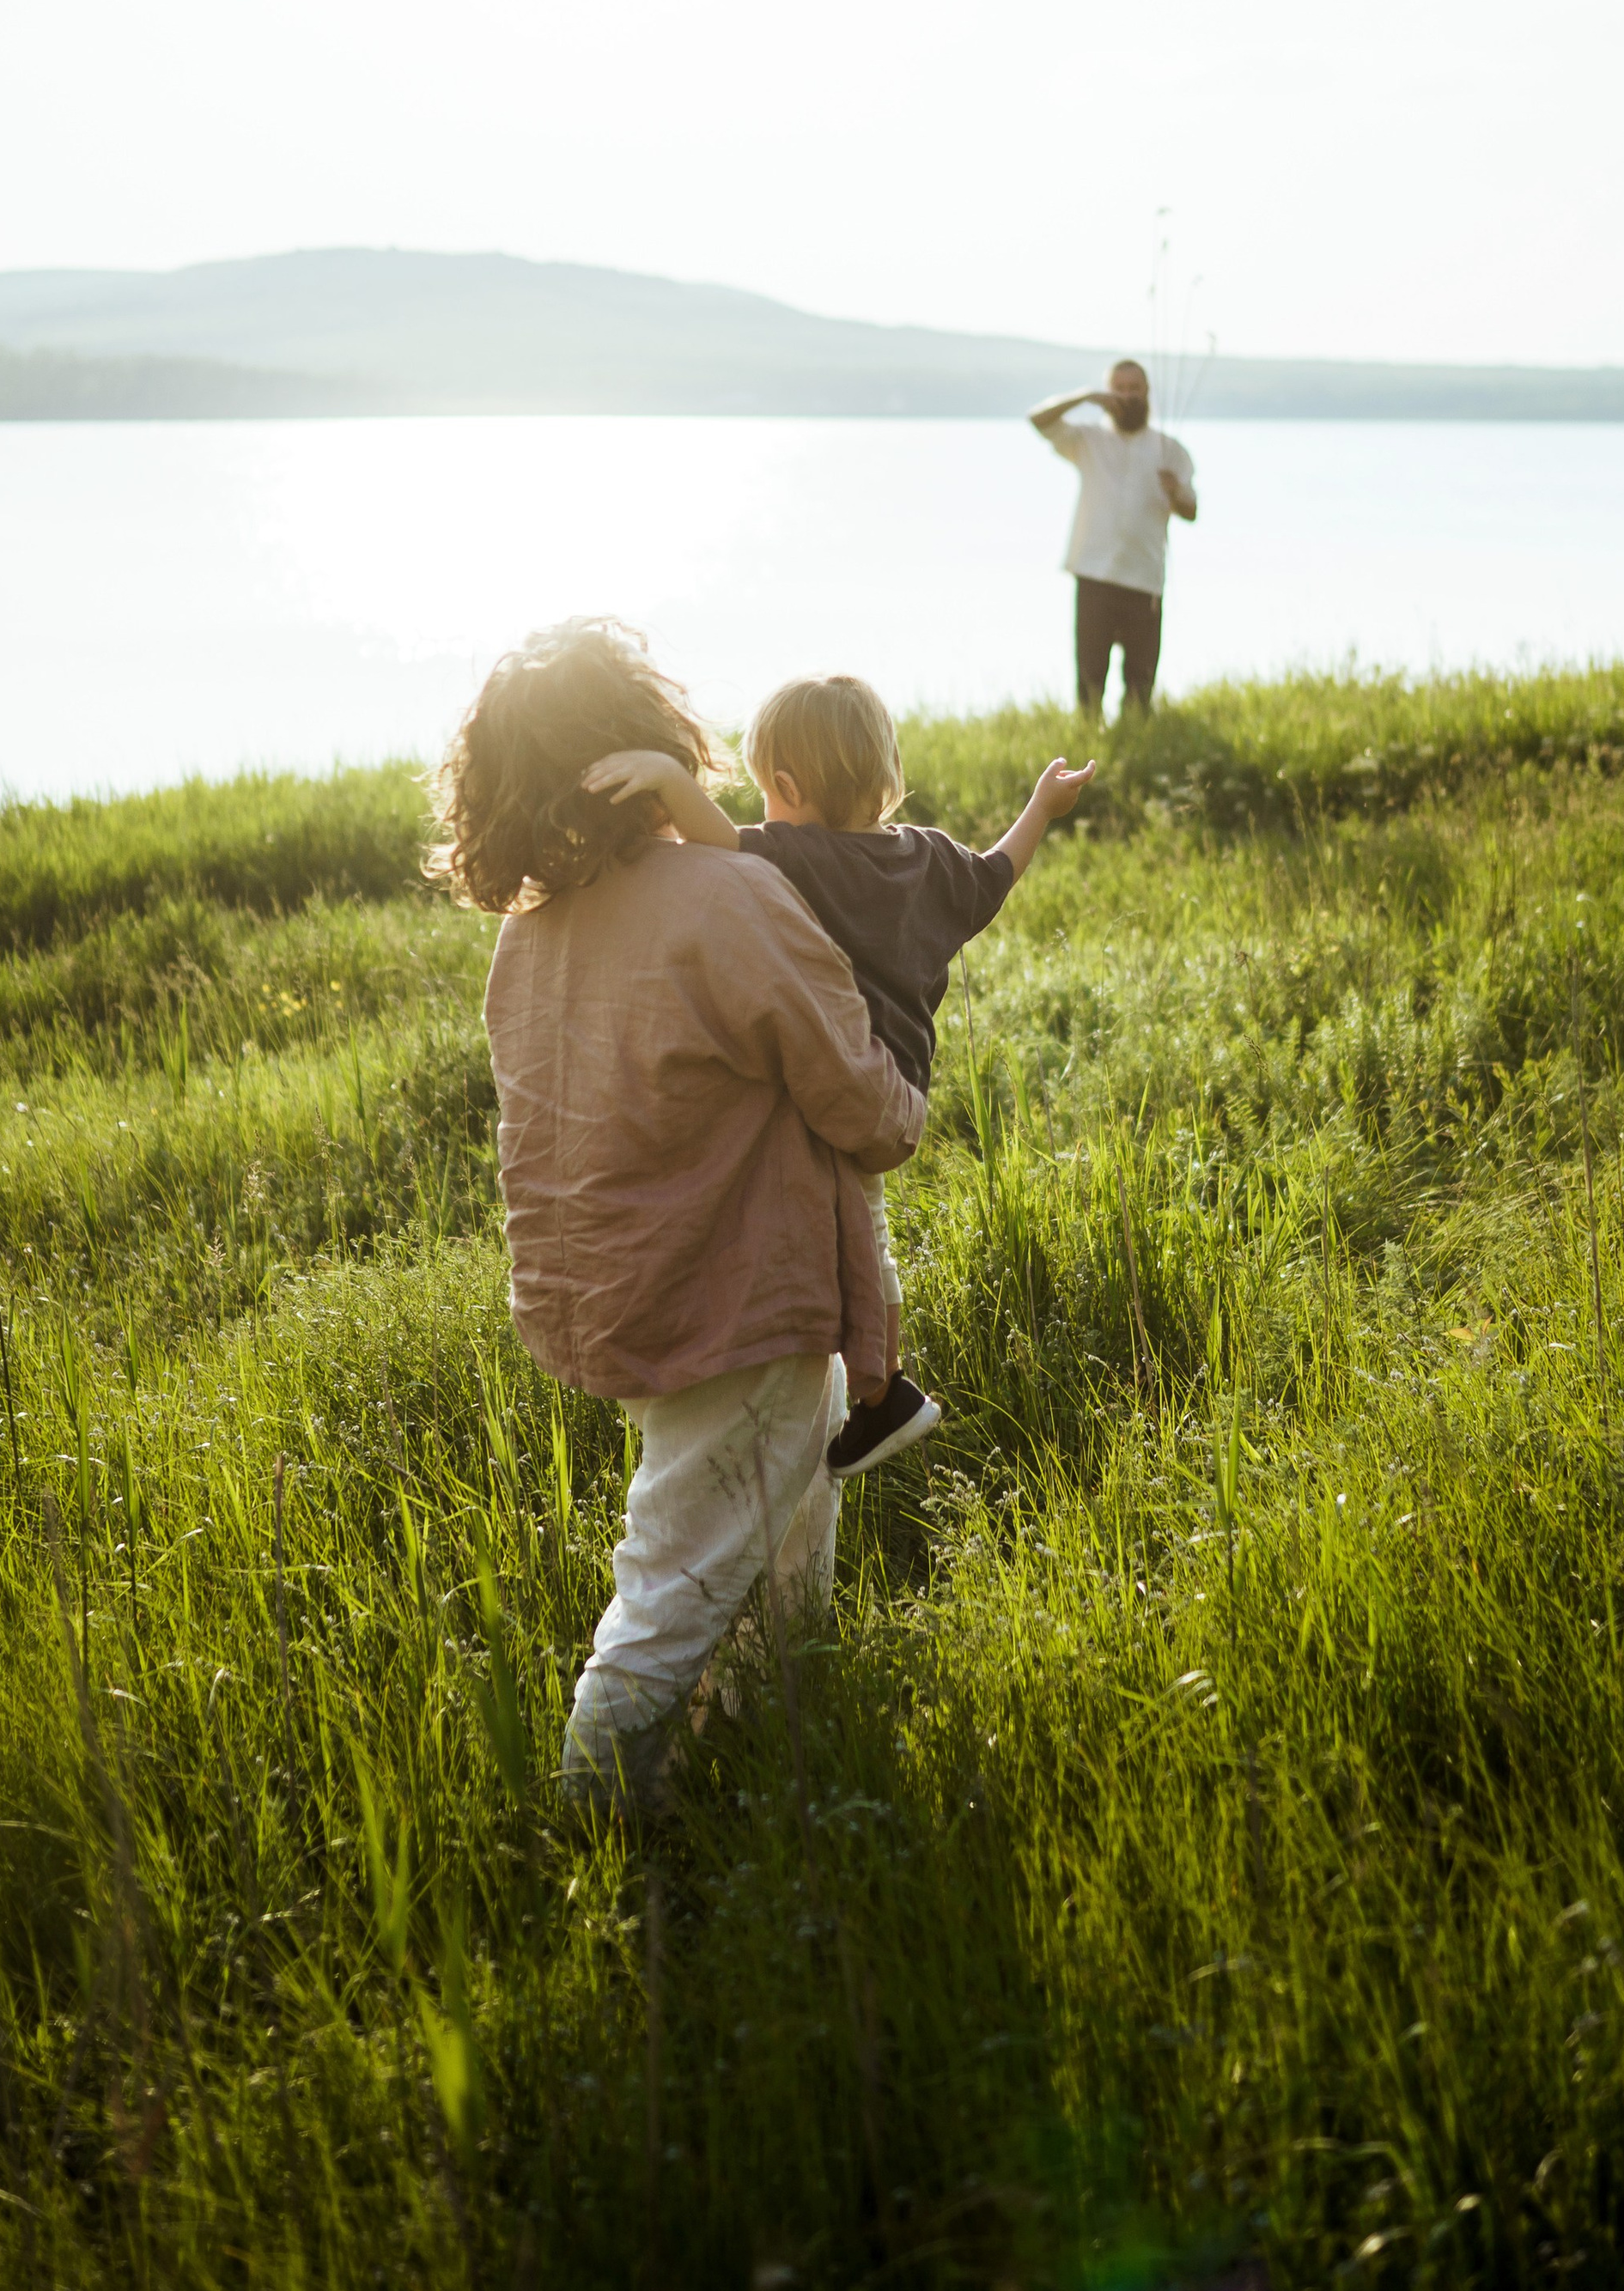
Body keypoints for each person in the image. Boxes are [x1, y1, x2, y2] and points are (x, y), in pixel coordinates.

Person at [432, 618, 923, 1817]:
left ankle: (775, 1748)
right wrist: (903, 1085)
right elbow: (869, 1113)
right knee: (676, 1584)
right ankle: (598, 1821)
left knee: (789, 1530)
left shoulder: (532, 930)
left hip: (628, 1289)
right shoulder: (729, 898)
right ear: (647, 743)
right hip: (739, 1294)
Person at [586, 672, 1092, 1476]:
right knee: (871, 1227)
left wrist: (670, 781)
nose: (760, 813)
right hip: (902, 1085)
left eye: (764, 795)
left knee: (862, 1241)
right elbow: (997, 874)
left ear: (787, 787)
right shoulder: (926, 858)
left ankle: (882, 1391)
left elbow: (718, 846)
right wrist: (1042, 807)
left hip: (838, 1083)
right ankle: (879, 1387)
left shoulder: (803, 857)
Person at [1029, 358, 1196, 714]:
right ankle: (1088, 757)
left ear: (1147, 392)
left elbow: (1191, 511)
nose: (1126, 396)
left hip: (1145, 581)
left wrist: (1177, 493)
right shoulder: (1087, 440)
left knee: (1140, 684)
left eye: (1134, 388)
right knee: (1089, 682)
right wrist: (1087, 396)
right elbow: (1037, 419)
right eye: (1118, 388)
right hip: (1094, 575)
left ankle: (1134, 755)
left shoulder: (1171, 451)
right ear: (1108, 392)